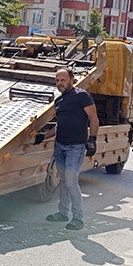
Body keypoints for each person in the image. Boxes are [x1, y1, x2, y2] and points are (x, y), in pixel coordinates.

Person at [37, 68, 99, 230]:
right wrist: (44, 136)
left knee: (71, 181)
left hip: (75, 147)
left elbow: (93, 117)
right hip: (60, 145)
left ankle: (78, 218)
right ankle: (63, 213)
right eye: (57, 81)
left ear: (72, 79)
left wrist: (92, 138)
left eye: (63, 80)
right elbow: (59, 125)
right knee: (63, 181)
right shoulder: (59, 101)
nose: (60, 84)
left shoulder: (82, 96)